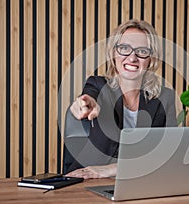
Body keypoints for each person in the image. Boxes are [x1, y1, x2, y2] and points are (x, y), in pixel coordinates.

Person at [65, 19, 177, 179]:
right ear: (113, 53)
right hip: (87, 180)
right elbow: (90, 96)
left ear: (151, 59)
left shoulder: (165, 98)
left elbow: (169, 155)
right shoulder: (97, 85)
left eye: (142, 51)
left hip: (140, 183)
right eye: (124, 48)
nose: (132, 58)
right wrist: (85, 104)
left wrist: (114, 169)